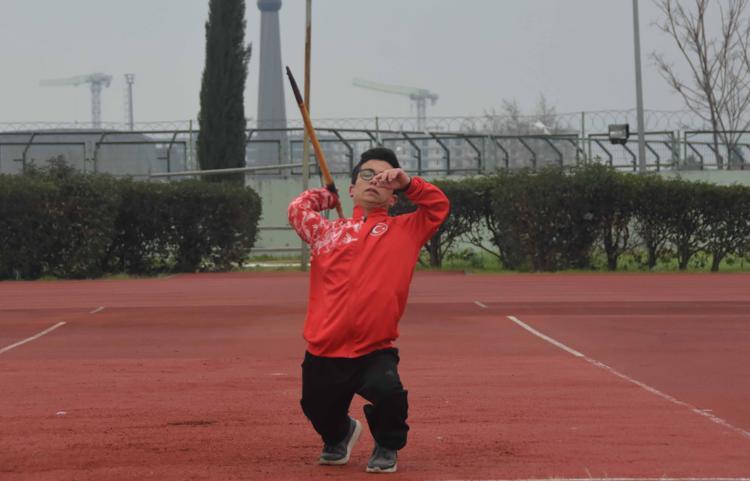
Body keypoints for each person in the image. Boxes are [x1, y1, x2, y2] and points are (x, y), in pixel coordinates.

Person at [287, 147, 449, 473]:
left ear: (393, 197)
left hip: (374, 347)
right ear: (352, 189)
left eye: (384, 178)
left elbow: (438, 206)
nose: (375, 181)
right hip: (324, 347)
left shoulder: (406, 230)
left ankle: (387, 444)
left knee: (389, 394)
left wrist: (409, 183)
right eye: (367, 175)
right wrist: (327, 197)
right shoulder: (325, 232)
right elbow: (297, 208)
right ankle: (340, 434)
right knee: (315, 405)